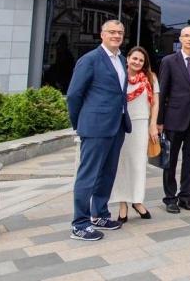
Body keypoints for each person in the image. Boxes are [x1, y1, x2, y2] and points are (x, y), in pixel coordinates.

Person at [66, 20, 131, 241]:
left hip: (116, 125)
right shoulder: (90, 59)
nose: (116, 35)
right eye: (112, 32)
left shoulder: (121, 59)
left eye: (120, 32)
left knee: (107, 173)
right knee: (89, 175)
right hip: (95, 126)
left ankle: (100, 214)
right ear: (102, 34)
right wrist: (80, 122)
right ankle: (80, 224)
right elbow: (74, 94)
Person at [157, 26, 190, 213]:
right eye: (186, 36)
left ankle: (185, 196)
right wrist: (159, 120)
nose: (189, 39)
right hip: (173, 119)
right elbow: (162, 92)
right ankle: (170, 198)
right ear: (180, 39)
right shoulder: (169, 61)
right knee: (170, 160)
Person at [110, 46, 159, 222]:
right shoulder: (120, 75)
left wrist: (153, 125)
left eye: (141, 60)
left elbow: (155, 103)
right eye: (134, 58)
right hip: (121, 125)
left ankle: (137, 201)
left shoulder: (150, 78)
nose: (137, 62)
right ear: (128, 58)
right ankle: (122, 204)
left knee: (138, 165)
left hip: (141, 125)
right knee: (121, 166)